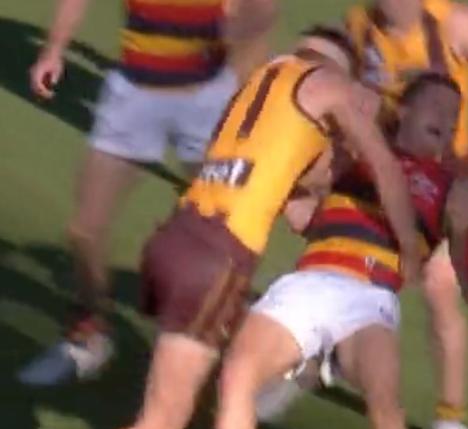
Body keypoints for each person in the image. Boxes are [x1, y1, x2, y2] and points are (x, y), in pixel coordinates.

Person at [25, 27, 421, 429]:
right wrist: (408, 248)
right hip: (217, 259)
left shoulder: (259, 86)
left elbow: (294, 208)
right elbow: (386, 168)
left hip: (176, 238)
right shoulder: (330, 86)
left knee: (169, 423)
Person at [216, 74, 468, 429]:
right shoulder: (354, 155)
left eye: (455, 115)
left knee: (386, 405)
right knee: (237, 374)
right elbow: (305, 216)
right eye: (437, 106)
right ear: (403, 109)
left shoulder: (455, 191)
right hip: (310, 279)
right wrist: (285, 185)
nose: (447, 118)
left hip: (368, 298)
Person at [19, 0, 277, 386]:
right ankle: (89, 334)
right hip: (134, 95)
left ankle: (265, 345)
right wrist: (54, 51)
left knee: (221, 233)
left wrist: (251, 104)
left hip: (206, 101)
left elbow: (256, 19)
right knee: (84, 230)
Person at [345, 0, 468, 429]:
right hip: (382, 176)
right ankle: (313, 366)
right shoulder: (359, 24)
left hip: (446, 186)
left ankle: (451, 417)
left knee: (441, 287)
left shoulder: (456, 25)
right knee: (343, 276)